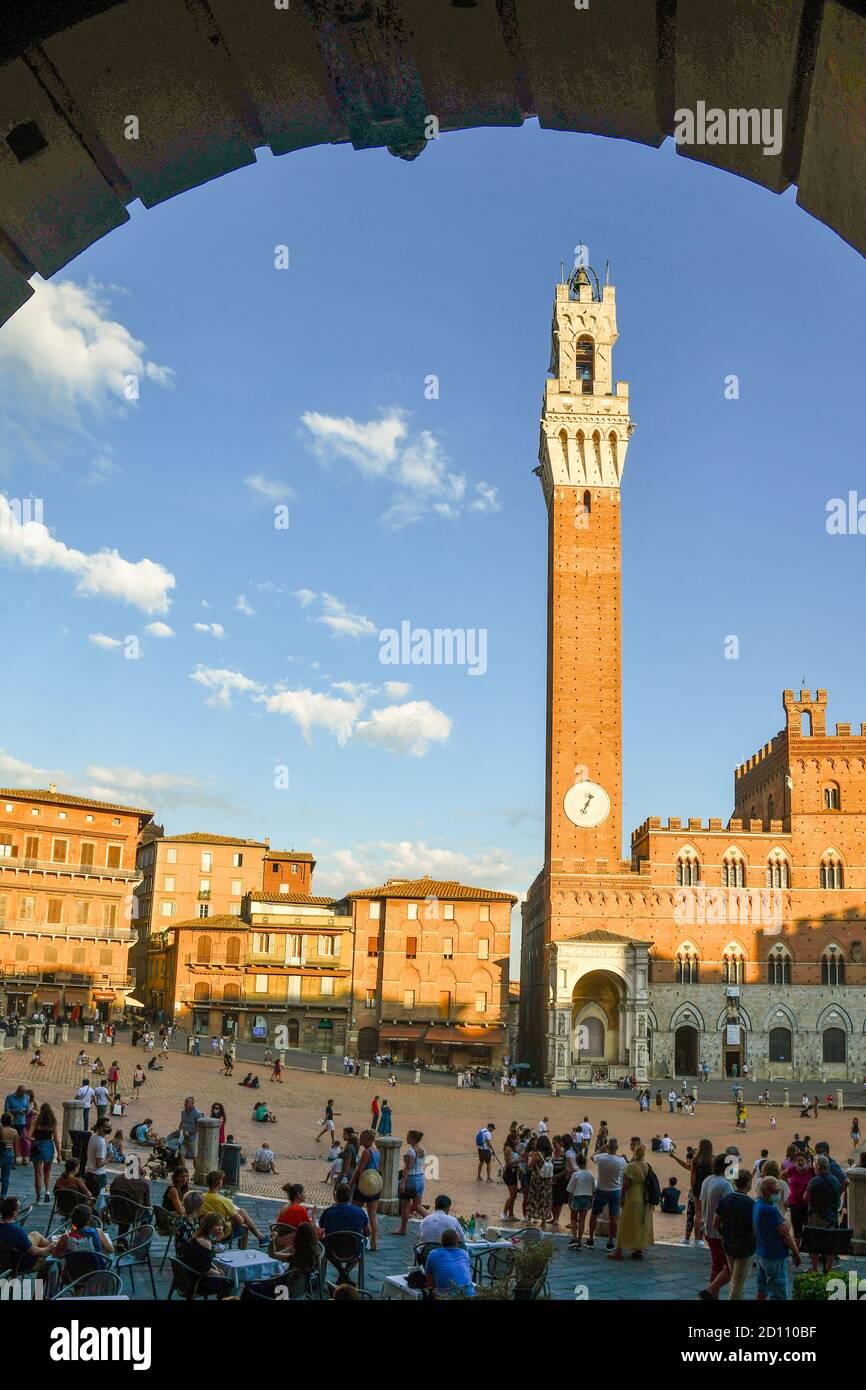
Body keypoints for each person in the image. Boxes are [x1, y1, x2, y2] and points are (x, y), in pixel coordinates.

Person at [706, 1169, 756, 1301]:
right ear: (748, 1184)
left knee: (733, 1276)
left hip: (729, 1245)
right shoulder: (752, 1204)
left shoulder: (725, 1200)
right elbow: (754, 1229)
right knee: (738, 1283)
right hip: (746, 1248)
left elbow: (715, 1224)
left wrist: (725, 1235)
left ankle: (710, 1291)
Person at [753, 1175, 800, 1300]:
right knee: (779, 1293)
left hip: (762, 1254)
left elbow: (784, 1222)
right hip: (775, 1256)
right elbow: (785, 1233)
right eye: (775, 1191)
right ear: (765, 1191)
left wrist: (786, 1224)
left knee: (762, 1287)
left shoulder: (759, 1204)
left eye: (778, 1191)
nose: (778, 1194)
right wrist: (796, 1253)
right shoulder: (770, 1209)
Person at [609, 1142, 653, 1260]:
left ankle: (619, 1251)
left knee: (624, 1223)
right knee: (638, 1224)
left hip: (632, 1197)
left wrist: (622, 1197)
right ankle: (637, 1249)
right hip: (642, 1198)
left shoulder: (631, 1166)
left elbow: (626, 1185)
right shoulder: (646, 1166)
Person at [696, 1155, 733, 1294]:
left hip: (708, 1228)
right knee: (728, 1268)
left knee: (717, 1265)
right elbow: (729, 1207)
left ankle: (712, 1295)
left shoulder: (707, 1180)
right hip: (720, 1230)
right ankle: (710, 1292)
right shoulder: (725, 1184)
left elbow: (701, 1200)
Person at [201, 1169, 264, 1249]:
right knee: (244, 1227)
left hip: (204, 1231)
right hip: (220, 1233)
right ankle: (243, 1251)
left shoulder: (201, 1197)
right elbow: (240, 1221)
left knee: (241, 1212)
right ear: (219, 1183)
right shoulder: (224, 1201)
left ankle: (261, 1236)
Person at [52, 1203, 114, 1281]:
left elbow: (54, 1255)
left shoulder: (65, 1237)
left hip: (72, 1276)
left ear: (72, 1219)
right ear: (88, 1220)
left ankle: (43, 1292)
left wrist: (51, 1246)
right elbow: (111, 1250)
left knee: (51, 1264)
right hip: (95, 1273)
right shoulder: (98, 1232)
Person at [181, 1210, 234, 1298]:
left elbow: (204, 1261)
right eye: (217, 1225)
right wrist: (219, 1274)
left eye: (221, 1225)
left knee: (223, 1275)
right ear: (209, 1226)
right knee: (229, 1282)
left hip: (188, 1277)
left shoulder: (196, 1236)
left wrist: (217, 1269)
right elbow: (205, 1269)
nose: (220, 1228)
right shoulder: (206, 1243)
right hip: (197, 1282)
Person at [588, 1138, 627, 1251]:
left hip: (601, 1189)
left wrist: (600, 1149)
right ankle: (610, 1242)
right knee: (613, 1217)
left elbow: (591, 1157)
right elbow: (625, 1165)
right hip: (615, 1191)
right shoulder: (621, 1161)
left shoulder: (601, 1157)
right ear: (617, 1148)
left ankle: (591, 1239)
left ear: (607, 1147)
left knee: (594, 1215)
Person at [0, 1195, 56, 1272]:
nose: (19, 1210)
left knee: (35, 1234)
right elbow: (34, 1251)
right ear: (14, 1213)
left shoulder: (9, 1229)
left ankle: (55, 1249)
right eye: (18, 1208)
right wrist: (48, 1248)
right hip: (18, 1263)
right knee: (51, 1262)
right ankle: (55, 1251)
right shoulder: (16, 1231)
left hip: (3, 1261)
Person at [805, 1154, 842, 1271]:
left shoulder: (815, 1181)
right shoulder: (835, 1180)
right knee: (830, 1244)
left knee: (815, 1242)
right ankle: (829, 1268)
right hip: (831, 1215)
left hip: (817, 1215)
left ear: (818, 1167)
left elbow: (806, 1197)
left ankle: (815, 1268)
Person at [349, 1129, 381, 1251]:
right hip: (375, 1184)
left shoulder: (366, 1152)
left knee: (354, 1209)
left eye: (362, 1137)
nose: (360, 1139)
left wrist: (351, 1183)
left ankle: (353, 1235)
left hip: (364, 1184)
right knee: (373, 1214)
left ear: (368, 1139)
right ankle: (374, 1241)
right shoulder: (376, 1151)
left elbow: (359, 1170)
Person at [396, 1128, 428, 1234]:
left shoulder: (411, 1151)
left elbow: (407, 1168)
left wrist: (402, 1183)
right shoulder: (422, 1150)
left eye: (408, 1136)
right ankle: (432, 1220)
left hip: (410, 1179)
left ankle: (403, 1229)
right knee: (417, 1205)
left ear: (413, 1139)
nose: (406, 1137)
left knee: (405, 1206)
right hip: (420, 1178)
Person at [426, 1227, 474, 1297]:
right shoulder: (464, 1253)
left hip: (447, 1296)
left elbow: (428, 1278)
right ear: (456, 1243)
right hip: (469, 1294)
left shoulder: (433, 1254)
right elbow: (467, 1272)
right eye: (459, 1242)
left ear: (441, 1242)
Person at [28, 1100, 59, 1204]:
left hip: (37, 1147)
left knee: (38, 1174)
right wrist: (59, 1154)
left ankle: (38, 1198)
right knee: (47, 1171)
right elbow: (56, 1139)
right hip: (48, 1146)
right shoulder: (53, 1123)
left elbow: (28, 1136)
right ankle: (47, 1191)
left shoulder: (36, 1122)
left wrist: (34, 1140)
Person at [567, 1151, 596, 1248]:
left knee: (573, 1218)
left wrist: (569, 1200)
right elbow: (594, 1189)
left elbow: (571, 1189)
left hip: (577, 1197)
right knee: (582, 1220)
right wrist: (591, 1200)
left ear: (577, 1163)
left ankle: (574, 1237)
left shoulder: (575, 1174)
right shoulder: (590, 1174)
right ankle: (579, 1239)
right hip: (587, 1197)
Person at [526, 1134, 554, 1227]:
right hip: (547, 1180)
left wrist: (529, 1157)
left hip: (537, 1179)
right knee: (545, 1199)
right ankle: (544, 1221)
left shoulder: (537, 1154)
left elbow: (530, 1165)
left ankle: (530, 1217)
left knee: (533, 1198)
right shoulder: (551, 1154)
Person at [84, 1116, 113, 1203]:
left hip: (89, 1172)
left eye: (110, 1126)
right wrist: (109, 1159)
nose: (110, 1129)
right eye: (107, 1127)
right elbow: (99, 1165)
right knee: (105, 1195)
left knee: (92, 1197)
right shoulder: (100, 1143)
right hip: (99, 1176)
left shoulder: (93, 1136)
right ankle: (101, 1213)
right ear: (100, 1128)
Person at [0, 1114, 19, 1199]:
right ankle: (3, 1195)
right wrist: (15, 1159)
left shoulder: (0, 1130)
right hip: (9, 1155)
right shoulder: (14, 1132)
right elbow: (16, 1147)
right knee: (5, 1177)